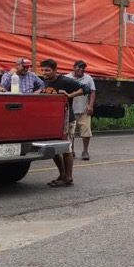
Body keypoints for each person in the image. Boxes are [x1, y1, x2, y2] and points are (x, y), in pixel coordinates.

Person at [39, 59, 84, 188]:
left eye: (47, 70)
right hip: (54, 120)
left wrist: (69, 95)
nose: (44, 72)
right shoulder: (46, 81)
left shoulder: (65, 81)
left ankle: (68, 177)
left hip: (67, 119)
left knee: (66, 149)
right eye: (42, 70)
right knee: (55, 149)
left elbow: (83, 89)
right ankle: (62, 175)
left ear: (55, 70)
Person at [67, 60, 96, 161]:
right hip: (70, 109)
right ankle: (71, 151)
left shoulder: (88, 78)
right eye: (79, 67)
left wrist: (90, 106)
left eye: (83, 68)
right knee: (70, 132)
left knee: (86, 132)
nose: (81, 69)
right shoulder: (67, 78)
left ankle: (85, 151)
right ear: (74, 67)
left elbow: (92, 92)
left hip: (84, 109)